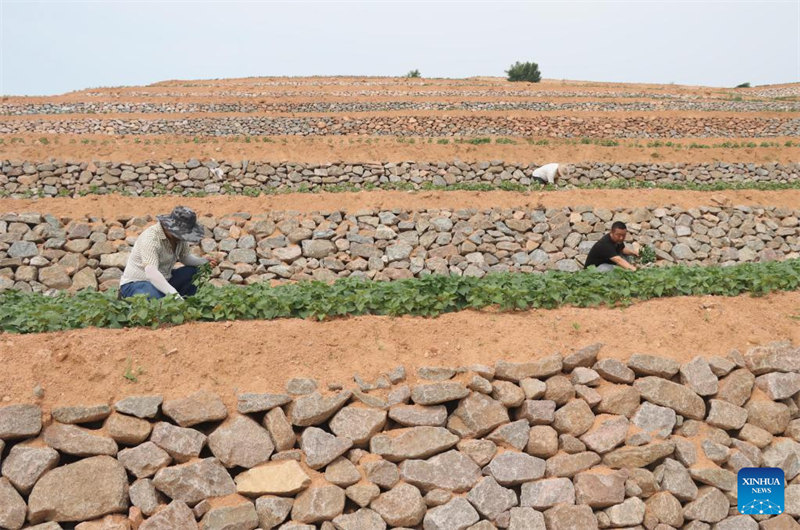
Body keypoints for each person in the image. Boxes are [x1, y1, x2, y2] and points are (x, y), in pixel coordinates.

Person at [119, 206, 217, 300]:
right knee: (153, 298)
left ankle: (184, 303)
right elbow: (151, 273)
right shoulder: (151, 238)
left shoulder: (178, 238)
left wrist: (204, 262)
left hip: (164, 280)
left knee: (192, 272)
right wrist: (175, 296)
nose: (182, 237)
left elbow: (185, 258)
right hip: (138, 283)